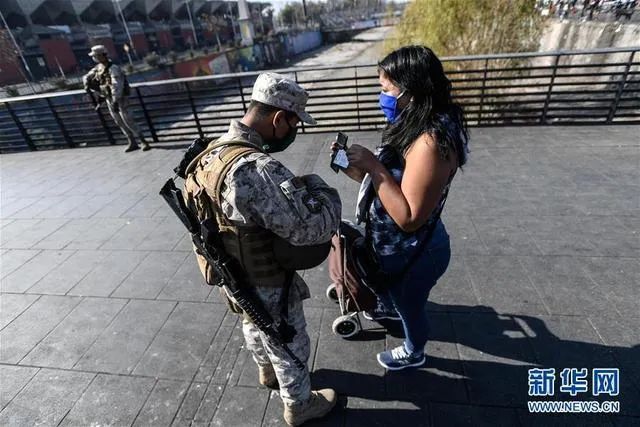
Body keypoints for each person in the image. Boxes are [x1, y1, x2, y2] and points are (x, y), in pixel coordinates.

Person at [183, 72, 341, 426]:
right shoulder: (256, 169)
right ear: (278, 118)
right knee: (288, 340)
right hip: (264, 275)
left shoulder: (213, 151)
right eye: (294, 123)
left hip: (230, 271)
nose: (293, 131)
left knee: (251, 321)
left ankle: (266, 371)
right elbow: (311, 228)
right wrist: (321, 189)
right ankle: (299, 404)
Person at [333, 46, 469, 371]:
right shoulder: (413, 122)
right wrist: (353, 166)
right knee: (398, 297)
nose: (382, 97)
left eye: (386, 89)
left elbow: (409, 218)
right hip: (393, 247)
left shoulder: (431, 142)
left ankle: (414, 350)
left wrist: (373, 165)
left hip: (413, 252)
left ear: (411, 90)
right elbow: (388, 185)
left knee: (411, 309)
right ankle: (390, 305)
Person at [83, 45, 150, 152]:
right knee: (119, 121)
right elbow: (87, 76)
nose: (94, 58)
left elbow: (116, 85)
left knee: (128, 120)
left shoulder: (113, 68)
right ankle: (132, 141)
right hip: (108, 97)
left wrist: (115, 100)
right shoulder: (99, 68)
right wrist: (86, 82)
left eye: (96, 56)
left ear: (102, 55)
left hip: (120, 99)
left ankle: (143, 141)